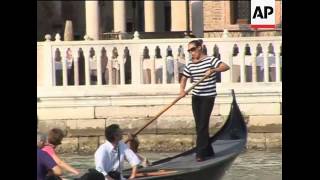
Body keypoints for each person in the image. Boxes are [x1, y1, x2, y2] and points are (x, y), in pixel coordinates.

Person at [179, 39, 230, 162]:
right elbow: (184, 78)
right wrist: (182, 90)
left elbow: (225, 66)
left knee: (202, 125)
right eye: (189, 50)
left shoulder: (210, 60)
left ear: (200, 48)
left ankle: (200, 153)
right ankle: (209, 151)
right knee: (200, 126)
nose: (191, 52)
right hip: (196, 97)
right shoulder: (190, 64)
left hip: (208, 97)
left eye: (192, 49)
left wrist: (214, 70)